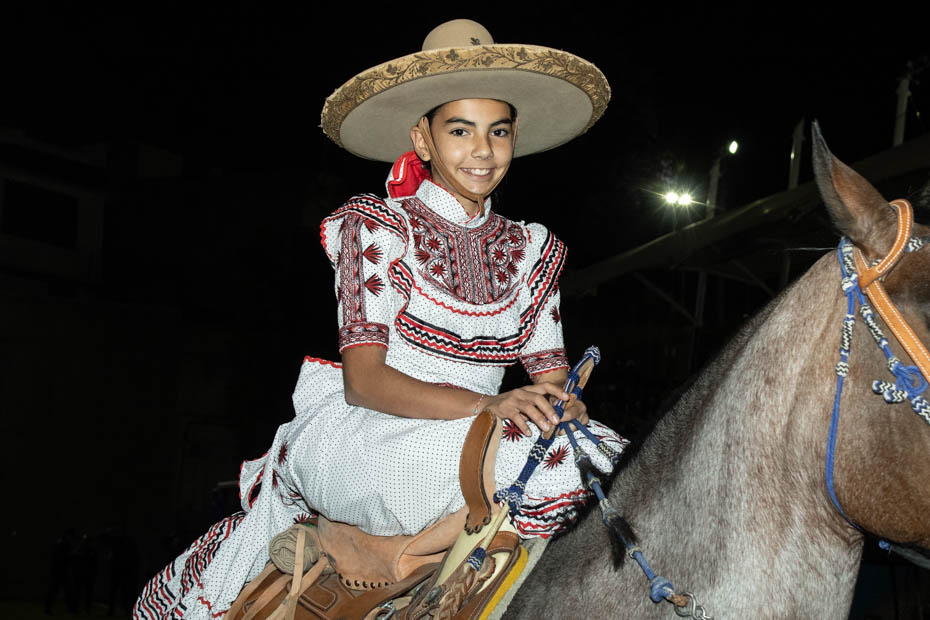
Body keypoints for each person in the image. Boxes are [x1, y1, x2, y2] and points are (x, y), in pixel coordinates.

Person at [134, 19, 627, 619]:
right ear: (422, 138)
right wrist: (488, 407)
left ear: (514, 136)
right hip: (369, 431)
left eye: (497, 131)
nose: (481, 150)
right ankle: (365, 548)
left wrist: (562, 403)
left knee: (607, 456)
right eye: (460, 130)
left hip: (487, 439)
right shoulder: (376, 227)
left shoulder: (532, 247)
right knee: (556, 462)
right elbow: (364, 381)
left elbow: (550, 381)